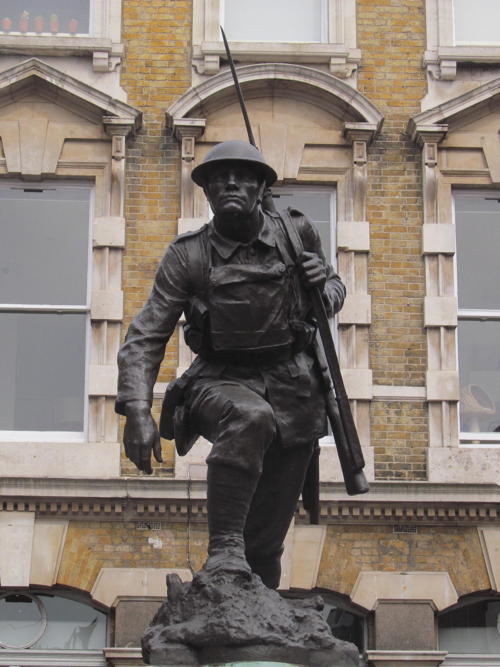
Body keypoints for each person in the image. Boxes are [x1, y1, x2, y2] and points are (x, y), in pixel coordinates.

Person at [115, 140, 346, 589]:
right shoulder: (189, 255)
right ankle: (222, 551)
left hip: (294, 389)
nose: (231, 183)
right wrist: (137, 409)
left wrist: (325, 287)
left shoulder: (297, 233)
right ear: (206, 191)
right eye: (219, 177)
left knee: (265, 544)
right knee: (248, 416)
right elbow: (147, 333)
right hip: (219, 381)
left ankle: (252, 607)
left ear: (262, 187)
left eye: (242, 176)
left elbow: (333, 291)